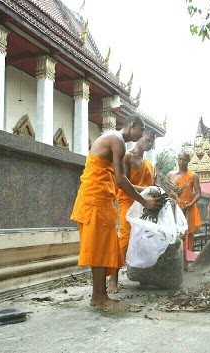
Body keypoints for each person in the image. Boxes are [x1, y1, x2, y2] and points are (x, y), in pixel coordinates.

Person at [70, 114, 162, 310]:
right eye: (141, 130)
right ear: (132, 125)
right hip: (95, 199)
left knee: (104, 248)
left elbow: (117, 179)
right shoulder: (118, 141)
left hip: (101, 199)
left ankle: (99, 296)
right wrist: (144, 202)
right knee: (98, 250)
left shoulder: (118, 142)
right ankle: (99, 298)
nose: (141, 135)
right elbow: (121, 180)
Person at [107, 129, 157, 293]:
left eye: (152, 142)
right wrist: (146, 190)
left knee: (144, 240)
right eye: (147, 139)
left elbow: (151, 188)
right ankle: (113, 278)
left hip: (144, 206)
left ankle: (142, 275)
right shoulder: (127, 157)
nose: (149, 144)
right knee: (126, 240)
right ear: (140, 137)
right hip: (128, 202)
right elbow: (122, 182)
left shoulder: (149, 165)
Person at [167, 151, 202, 269]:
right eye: (179, 159)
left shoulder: (193, 176)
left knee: (188, 236)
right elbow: (166, 191)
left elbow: (198, 193)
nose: (181, 162)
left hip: (188, 208)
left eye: (184, 159)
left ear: (188, 160)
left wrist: (191, 204)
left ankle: (186, 263)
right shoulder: (170, 175)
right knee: (174, 234)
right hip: (173, 209)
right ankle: (175, 262)